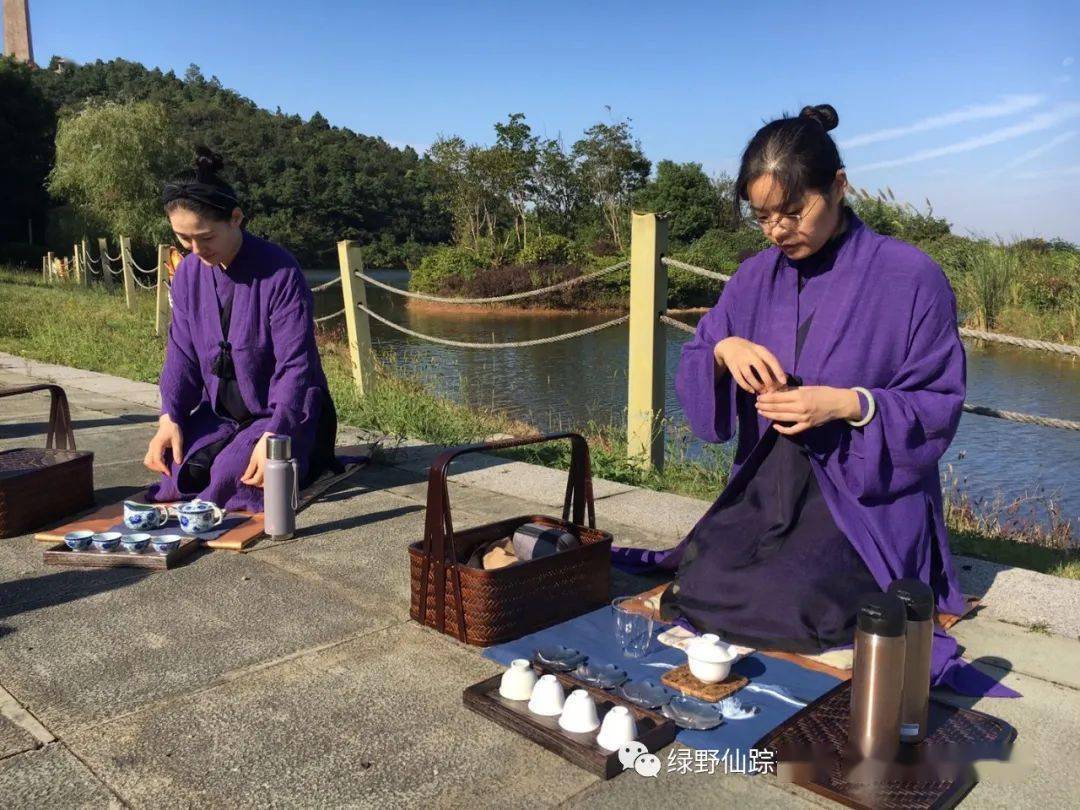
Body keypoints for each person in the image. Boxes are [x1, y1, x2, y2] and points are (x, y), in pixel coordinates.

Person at [648, 105, 1008, 693]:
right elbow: (706, 346)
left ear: (838, 187)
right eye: (762, 217)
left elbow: (939, 400)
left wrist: (847, 404)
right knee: (700, 578)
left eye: (794, 211)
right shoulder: (752, 277)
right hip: (771, 483)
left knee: (794, 601)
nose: (778, 230)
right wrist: (725, 350)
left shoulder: (911, 277)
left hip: (860, 497)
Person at [143, 147, 340, 514]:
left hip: (283, 412)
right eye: (185, 239)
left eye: (205, 237)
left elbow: (296, 365)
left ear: (235, 218)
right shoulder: (186, 273)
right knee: (175, 470)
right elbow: (181, 353)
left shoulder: (280, 272)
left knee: (234, 476)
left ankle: (294, 451)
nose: (196, 250)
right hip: (222, 415)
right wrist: (169, 417)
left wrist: (276, 435)